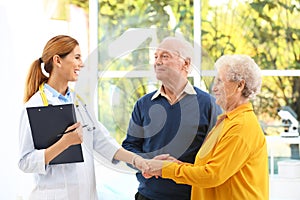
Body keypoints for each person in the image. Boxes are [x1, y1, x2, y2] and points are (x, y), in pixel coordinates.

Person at [18, 35, 149, 200]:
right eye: (77, 57)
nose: (82, 63)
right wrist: (65, 143)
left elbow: (102, 141)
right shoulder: (35, 106)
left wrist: (139, 161)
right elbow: (25, 161)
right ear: (58, 60)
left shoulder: (79, 102)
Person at [144, 54, 269, 200]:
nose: (214, 88)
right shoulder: (226, 122)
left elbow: (211, 175)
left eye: (220, 81)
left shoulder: (241, 126)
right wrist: (174, 164)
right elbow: (208, 168)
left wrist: (165, 169)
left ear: (239, 86)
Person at [121, 36, 222, 200]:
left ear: (186, 64)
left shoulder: (209, 105)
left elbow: (216, 159)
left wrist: (172, 168)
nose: (157, 62)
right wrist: (148, 163)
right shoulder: (143, 104)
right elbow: (129, 147)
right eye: (156, 57)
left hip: (191, 196)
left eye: (165, 56)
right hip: (147, 196)